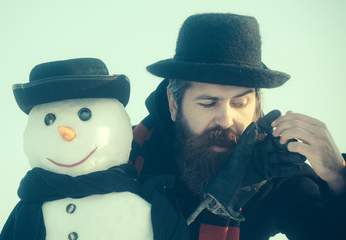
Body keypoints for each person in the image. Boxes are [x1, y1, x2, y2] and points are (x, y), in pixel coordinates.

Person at [129, 13, 346, 240]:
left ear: (257, 106)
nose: (225, 119)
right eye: (208, 103)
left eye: (239, 103)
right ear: (174, 104)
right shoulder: (124, 153)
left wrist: (339, 178)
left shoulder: (276, 172)